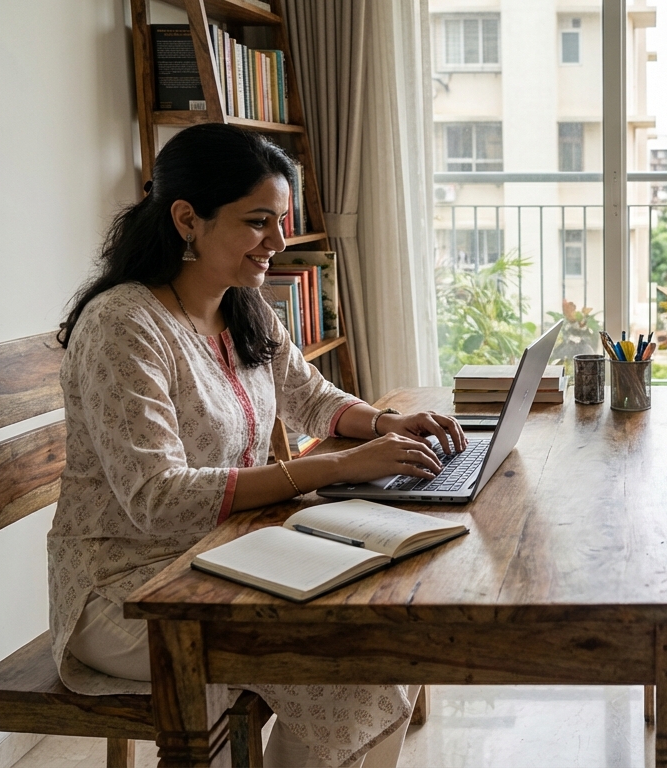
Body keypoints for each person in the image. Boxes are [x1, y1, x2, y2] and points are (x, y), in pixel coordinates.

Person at [49, 124, 466, 767]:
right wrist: (333, 467)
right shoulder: (124, 326)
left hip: (230, 557)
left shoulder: (241, 305)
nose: (277, 241)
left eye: (281, 221)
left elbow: (311, 396)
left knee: (384, 633)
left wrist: (381, 425)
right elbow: (156, 499)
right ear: (188, 218)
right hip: (127, 592)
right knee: (350, 666)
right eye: (257, 222)